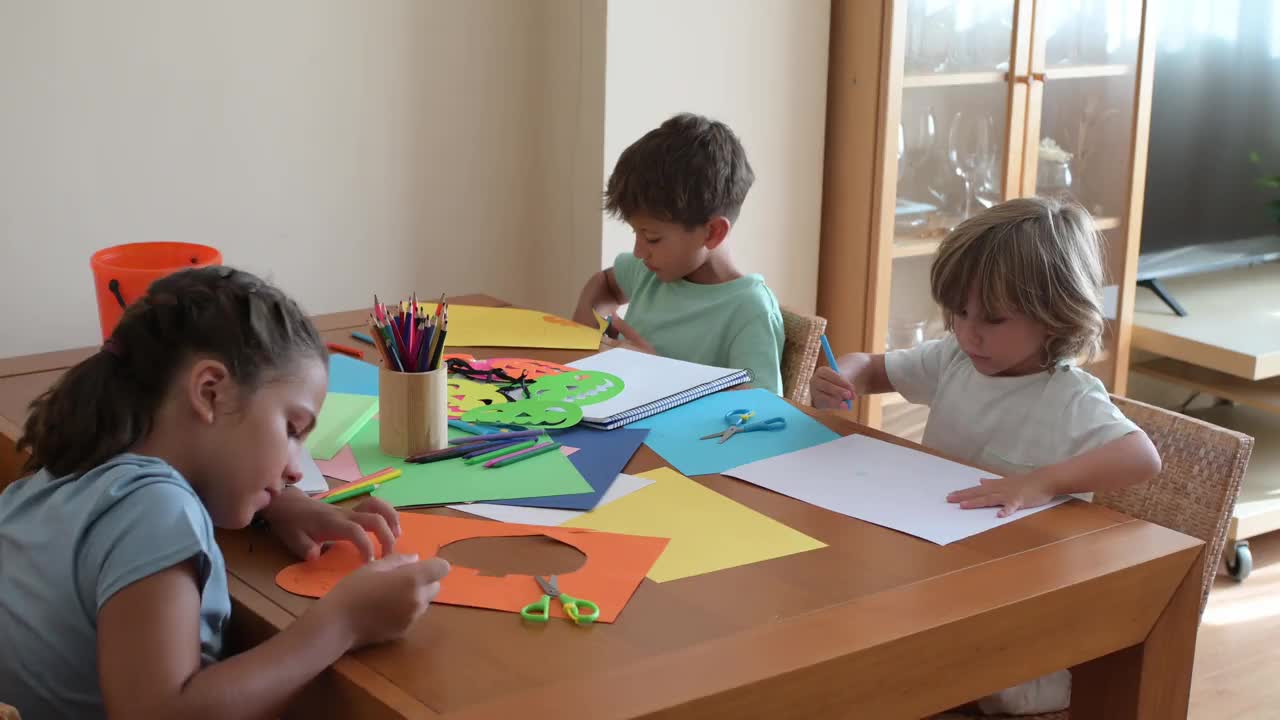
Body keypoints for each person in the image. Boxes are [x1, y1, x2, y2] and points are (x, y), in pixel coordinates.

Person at [0, 266, 449, 719]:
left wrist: (275, 504)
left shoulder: (57, 475)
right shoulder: (154, 510)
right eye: (292, 429)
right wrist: (343, 623)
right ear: (211, 392)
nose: (296, 469)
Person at [812, 197, 1161, 715]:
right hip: (939, 571)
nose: (968, 331)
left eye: (993, 319)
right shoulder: (956, 359)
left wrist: (1041, 482)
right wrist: (850, 376)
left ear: (1055, 316)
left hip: (1016, 610)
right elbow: (874, 367)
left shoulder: (1067, 396)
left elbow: (1142, 457)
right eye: (958, 312)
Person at [572, 112, 785, 394]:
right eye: (635, 233)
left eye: (652, 238)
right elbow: (605, 284)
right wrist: (586, 334)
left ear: (712, 233)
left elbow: (763, 411)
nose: (638, 251)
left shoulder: (749, 309)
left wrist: (662, 373)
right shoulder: (649, 272)